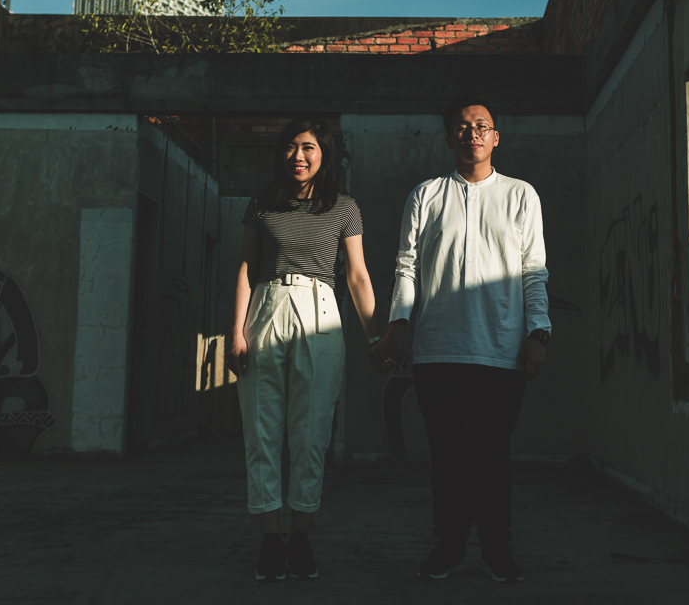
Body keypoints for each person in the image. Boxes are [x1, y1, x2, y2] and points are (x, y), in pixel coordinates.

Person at [370, 93, 550, 584]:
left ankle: (496, 548)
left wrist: (538, 332)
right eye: (463, 127)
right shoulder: (426, 194)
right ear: (450, 136)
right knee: (448, 456)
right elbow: (406, 269)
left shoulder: (519, 195)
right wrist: (398, 328)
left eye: (482, 125)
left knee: (492, 456)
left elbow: (534, 272)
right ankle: (448, 546)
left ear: (496, 137)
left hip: (502, 351)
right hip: (439, 350)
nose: (473, 133)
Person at [229, 116, 378, 582]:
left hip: (320, 310)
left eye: (309, 147)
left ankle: (301, 540)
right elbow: (247, 268)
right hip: (266, 308)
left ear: (324, 154)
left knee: (311, 435)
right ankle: (270, 543)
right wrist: (236, 330)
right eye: (292, 147)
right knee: (261, 431)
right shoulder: (262, 204)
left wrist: (377, 336)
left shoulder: (343, 207)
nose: (299, 156)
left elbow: (356, 276)